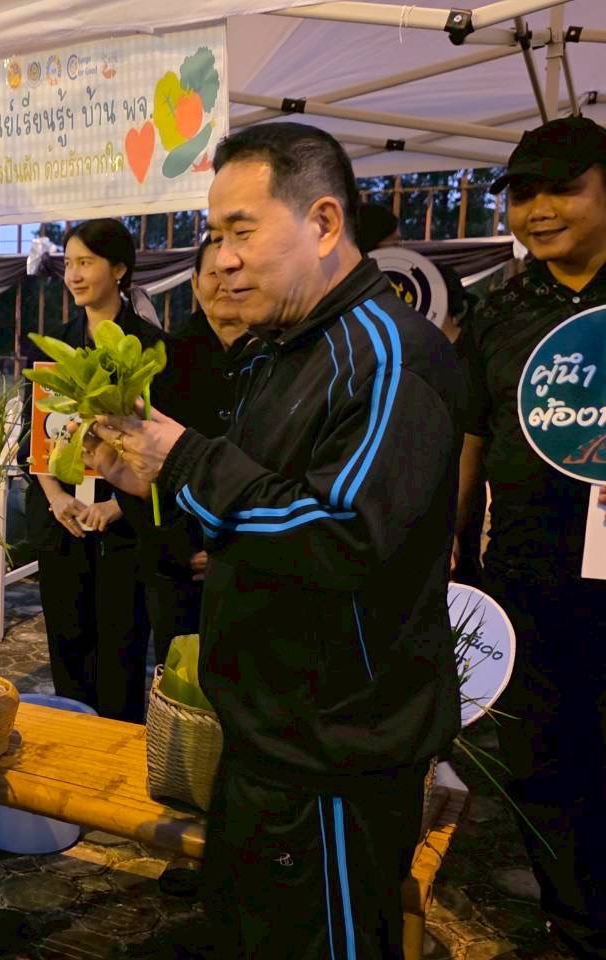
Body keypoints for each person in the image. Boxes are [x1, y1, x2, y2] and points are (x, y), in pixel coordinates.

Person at [86, 122, 462, 959]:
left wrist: (183, 458)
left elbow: (341, 533)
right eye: (214, 236)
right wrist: (155, 481)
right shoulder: (282, 352)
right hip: (265, 740)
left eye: (241, 231)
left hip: (334, 757)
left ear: (324, 223)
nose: (219, 259)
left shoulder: (388, 358)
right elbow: (253, 516)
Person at [457, 114, 606, 958]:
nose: (538, 209)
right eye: (520, 193)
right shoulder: (498, 309)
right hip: (528, 575)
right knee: (543, 760)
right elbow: (471, 436)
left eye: (562, 188)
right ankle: (573, 923)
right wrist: (458, 548)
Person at [23, 218, 156, 723]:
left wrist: (117, 505)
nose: (74, 274)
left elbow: (161, 444)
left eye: (86, 262)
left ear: (119, 269)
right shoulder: (52, 345)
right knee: (68, 650)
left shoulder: (148, 346)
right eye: (69, 263)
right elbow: (31, 439)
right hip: (64, 522)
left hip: (124, 530)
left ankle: (116, 771)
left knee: (122, 657)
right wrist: (57, 498)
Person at [139, 236, 253, 658]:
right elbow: (137, 462)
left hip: (253, 560)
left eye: (234, 274)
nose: (224, 284)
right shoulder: (163, 358)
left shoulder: (277, 358)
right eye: (213, 275)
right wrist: (179, 549)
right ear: (194, 282)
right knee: (180, 682)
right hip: (176, 565)